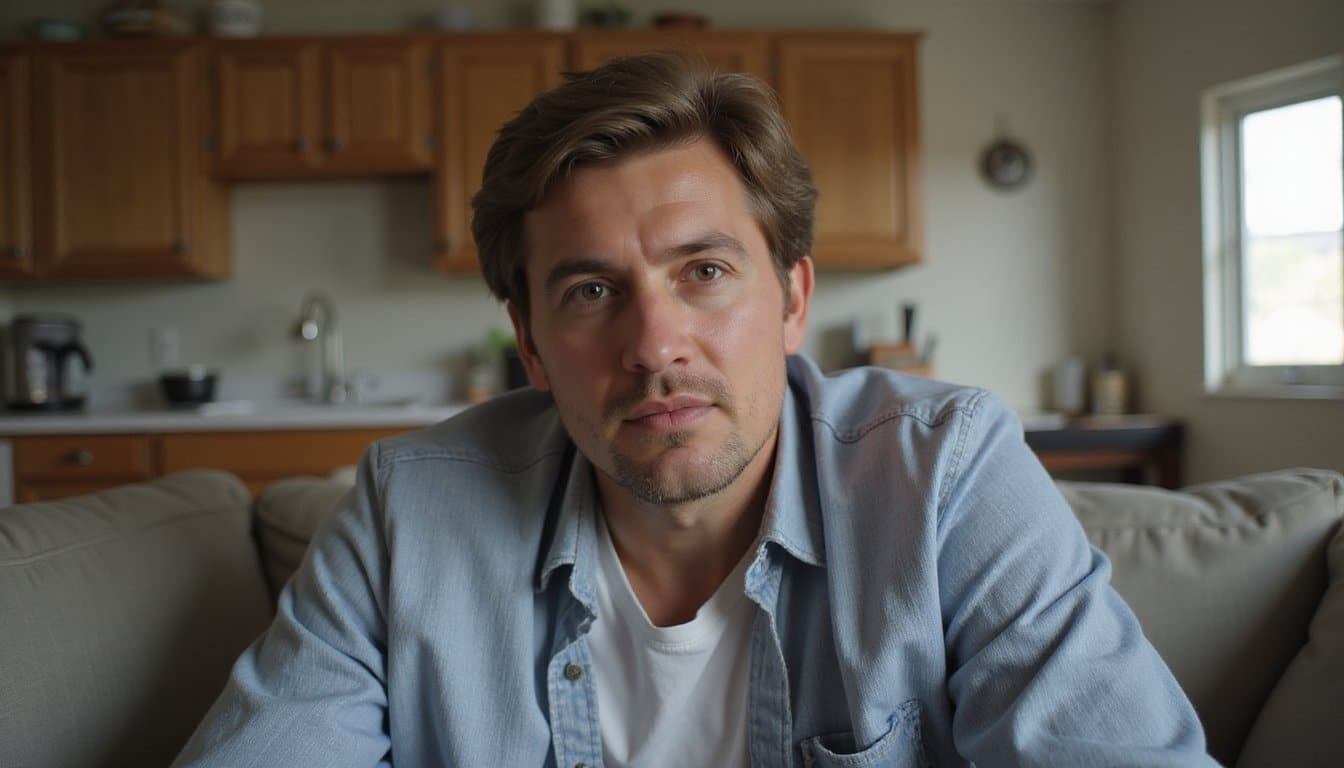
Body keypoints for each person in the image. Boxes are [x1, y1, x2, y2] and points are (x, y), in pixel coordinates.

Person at [175, 53, 1214, 767]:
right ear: (529, 344)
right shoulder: (407, 513)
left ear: (794, 299)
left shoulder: (946, 473)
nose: (654, 344)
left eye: (704, 272)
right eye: (591, 291)